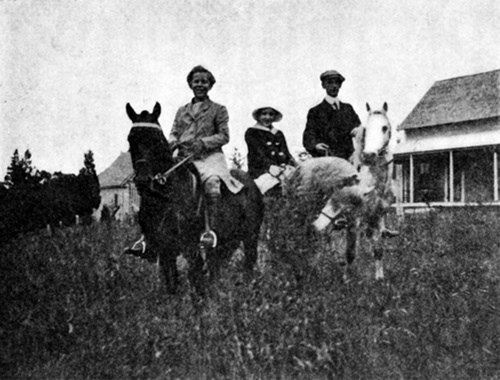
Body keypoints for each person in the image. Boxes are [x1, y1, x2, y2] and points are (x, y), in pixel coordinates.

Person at [168, 65, 243, 248]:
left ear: (210, 85)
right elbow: (174, 132)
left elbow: (224, 136)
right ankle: (152, 236)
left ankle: (211, 230)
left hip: (209, 156)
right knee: (161, 182)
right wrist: (172, 143)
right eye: (196, 81)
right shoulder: (181, 110)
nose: (200, 84)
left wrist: (204, 142)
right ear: (190, 84)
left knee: (211, 183)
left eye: (204, 81)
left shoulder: (218, 109)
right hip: (183, 156)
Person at [303, 70, 361, 160]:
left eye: (337, 83)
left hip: (348, 159)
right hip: (327, 160)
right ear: (323, 85)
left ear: (340, 86)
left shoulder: (348, 108)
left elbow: (358, 126)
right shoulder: (315, 111)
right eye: (329, 83)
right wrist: (315, 145)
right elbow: (308, 135)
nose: (334, 86)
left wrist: (358, 130)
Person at [245, 106, 296, 181]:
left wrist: (291, 164)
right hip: (261, 170)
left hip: (282, 169)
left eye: (271, 114)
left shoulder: (278, 133)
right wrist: (269, 167)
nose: (267, 117)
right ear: (258, 116)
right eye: (264, 114)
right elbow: (257, 154)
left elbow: (286, 152)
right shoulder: (252, 132)